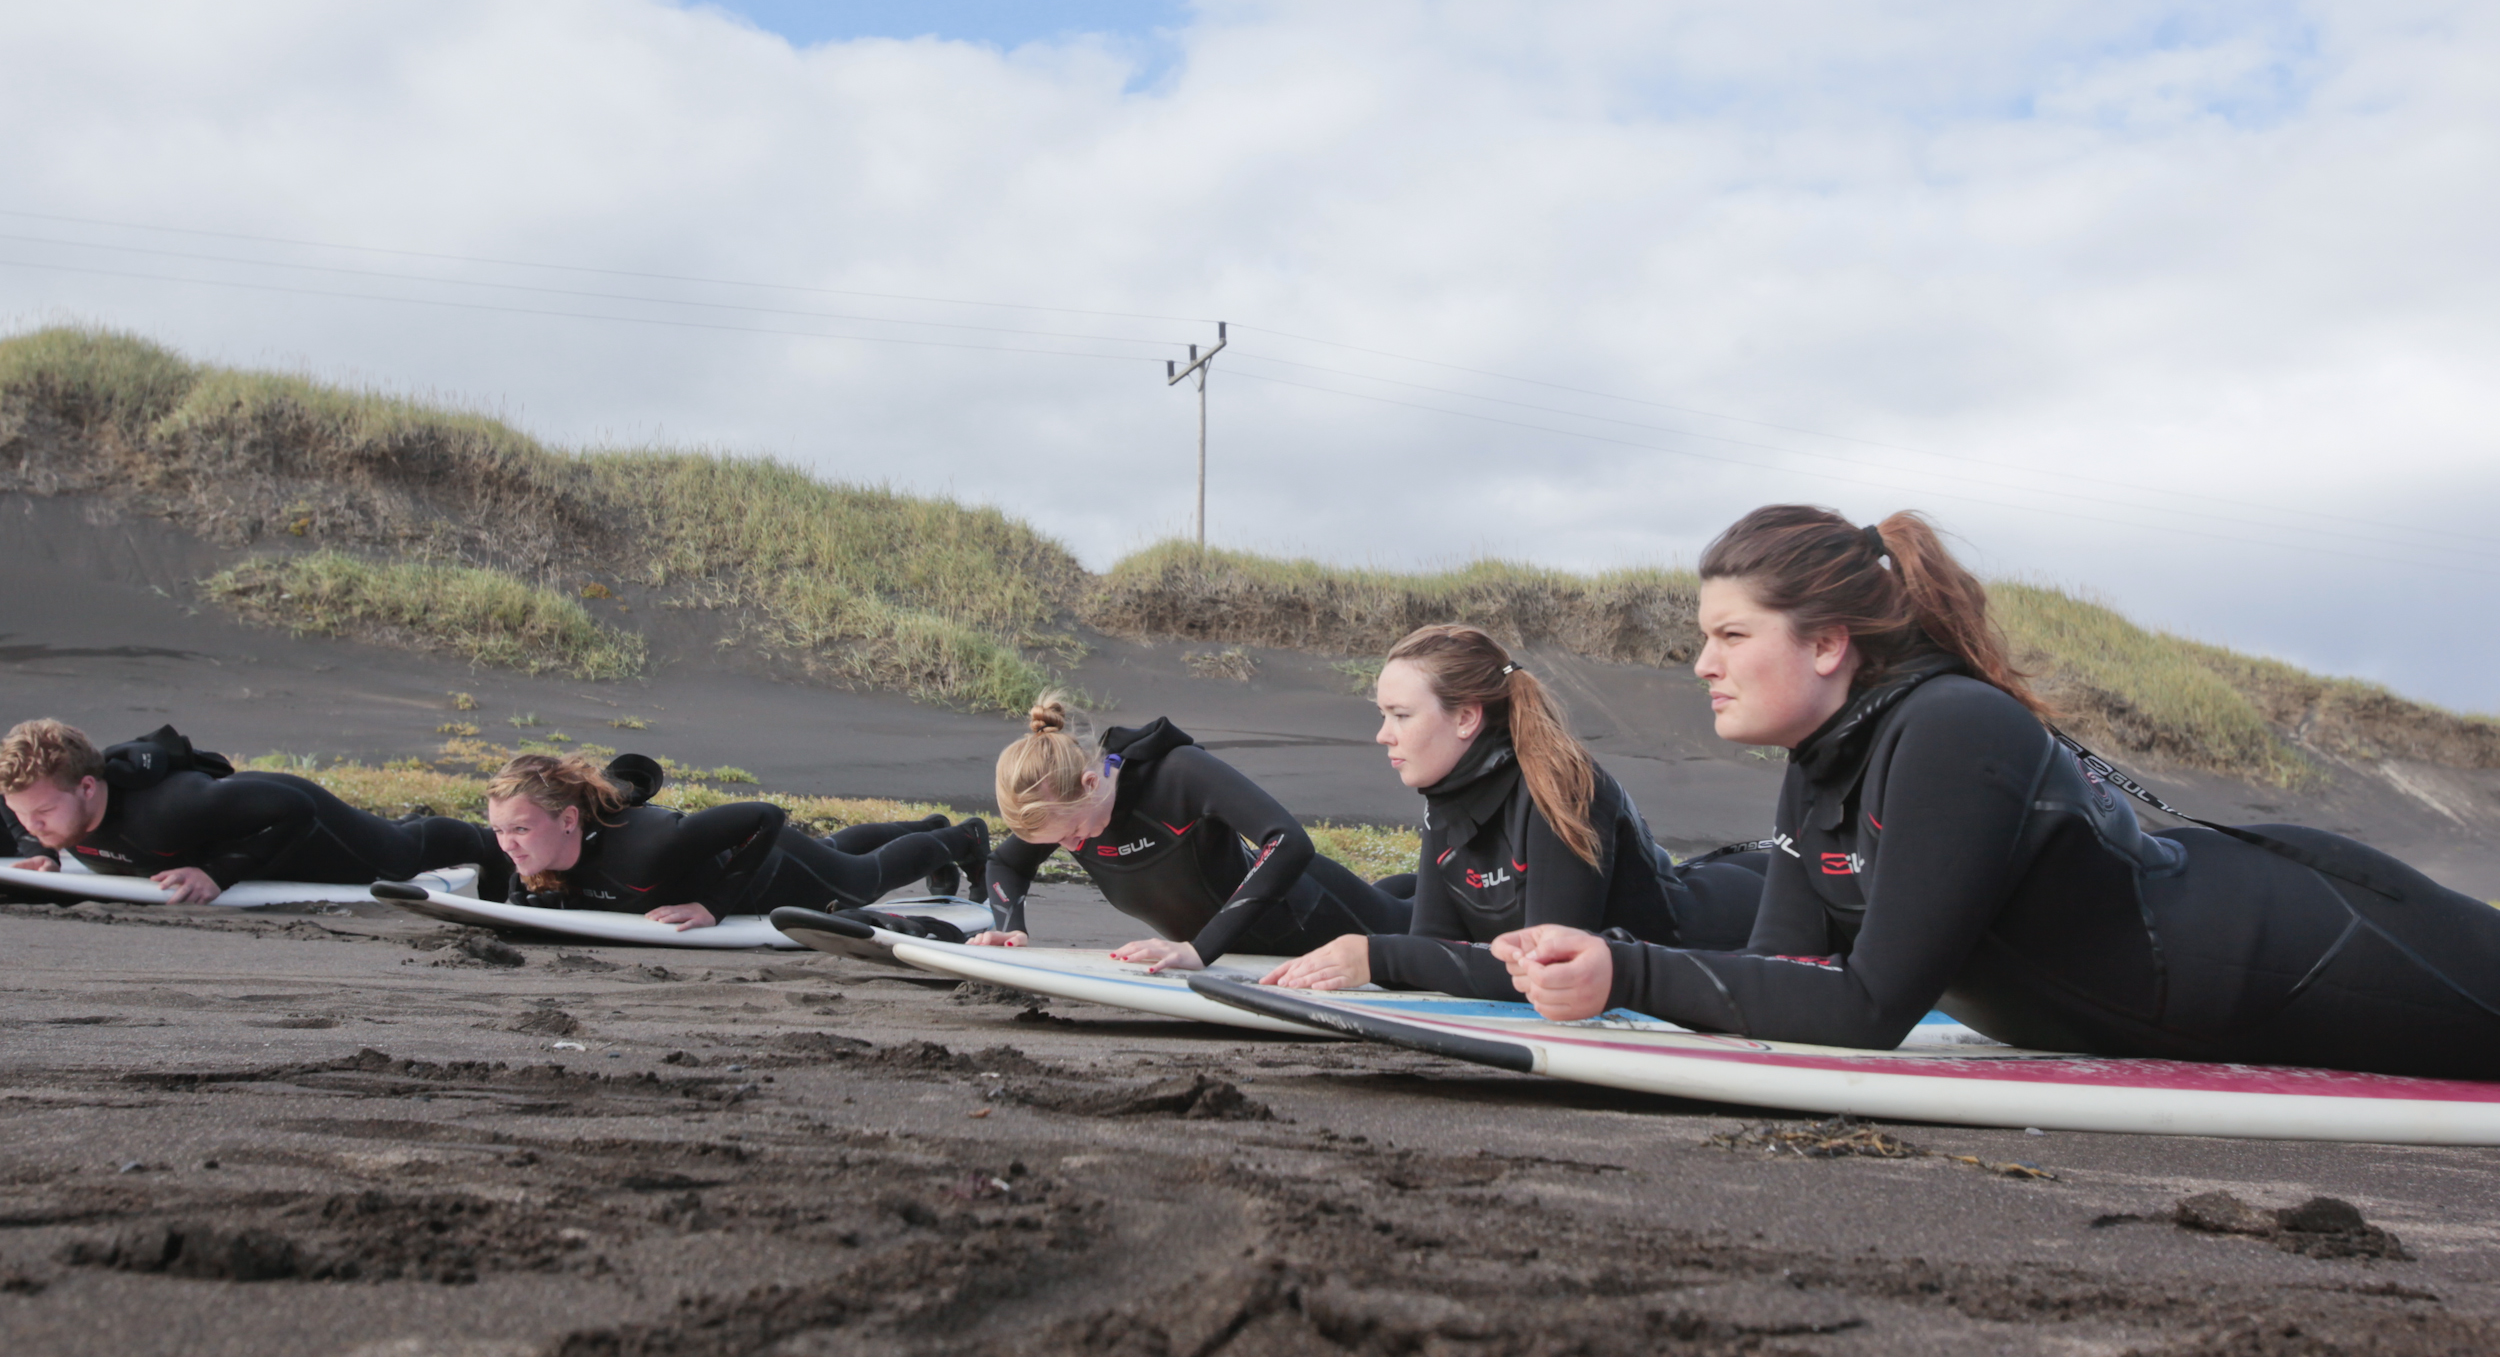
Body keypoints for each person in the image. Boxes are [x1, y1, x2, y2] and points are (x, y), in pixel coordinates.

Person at [1493, 505, 2500, 1081]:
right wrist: (1617, 971)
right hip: (2221, 987)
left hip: (2310, 954)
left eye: (1730, 634)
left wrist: (1624, 970)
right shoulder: (1820, 768)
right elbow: (1776, 977)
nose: (1701, 662)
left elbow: (1869, 1007)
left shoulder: (1951, 726)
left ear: (1829, 642)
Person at [1262, 626, 1766, 999]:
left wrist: (1375, 956)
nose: (1383, 734)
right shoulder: (1447, 797)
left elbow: (1551, 970)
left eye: (1400, 715)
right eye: (1382, 715)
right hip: (1699, 885)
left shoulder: (1555, 786)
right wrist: (1384, 960)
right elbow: (1433, 947)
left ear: (1465, 718)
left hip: (1733, 922)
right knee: (1394, 889)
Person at [971, 697, 1411, 970]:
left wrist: (1201, 951)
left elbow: (1288, 842)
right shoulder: (1065, 813)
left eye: (1072, 833)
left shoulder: (1176, 774)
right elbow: (1005, 863)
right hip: (1236, 955)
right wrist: (1012, 929)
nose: (1069, 846)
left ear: (1090, 784)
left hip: (1329, 919)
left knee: (1422, 923)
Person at [2, 719, 510, 900]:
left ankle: (493, 844)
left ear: (88, 788)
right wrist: (38, 852)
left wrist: (217, 875)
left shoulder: (169, 811)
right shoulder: (47, 815)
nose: (31, 823)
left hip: (303, 825)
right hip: (248, 832)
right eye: (22, 814)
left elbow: (291, 808)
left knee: (400, 851)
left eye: (40, 813)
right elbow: (24, 820)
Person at [485, 751, 987, 929]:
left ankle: (962, 839)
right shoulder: (542, 854)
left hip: (774, 872)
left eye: (521, 829)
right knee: (834, 846)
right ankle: (925, 825)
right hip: (760, 857)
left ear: (568, 819)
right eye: (500, 830)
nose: (508, 844)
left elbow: (765, 815)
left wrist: (713, 905)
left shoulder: (648, 847)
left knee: (862, 878)